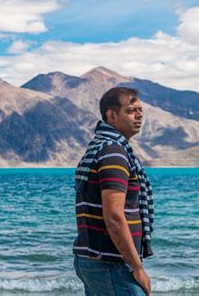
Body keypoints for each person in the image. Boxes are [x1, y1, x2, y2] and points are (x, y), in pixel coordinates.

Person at [73, 87, 155, 296]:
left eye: (140, 110)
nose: (139, 115)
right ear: (111, 115)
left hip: (95, 259)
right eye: (131, 110)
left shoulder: (101, 147)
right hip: (111, 264)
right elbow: (114, 217)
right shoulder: (113, 153)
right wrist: (137, 267)